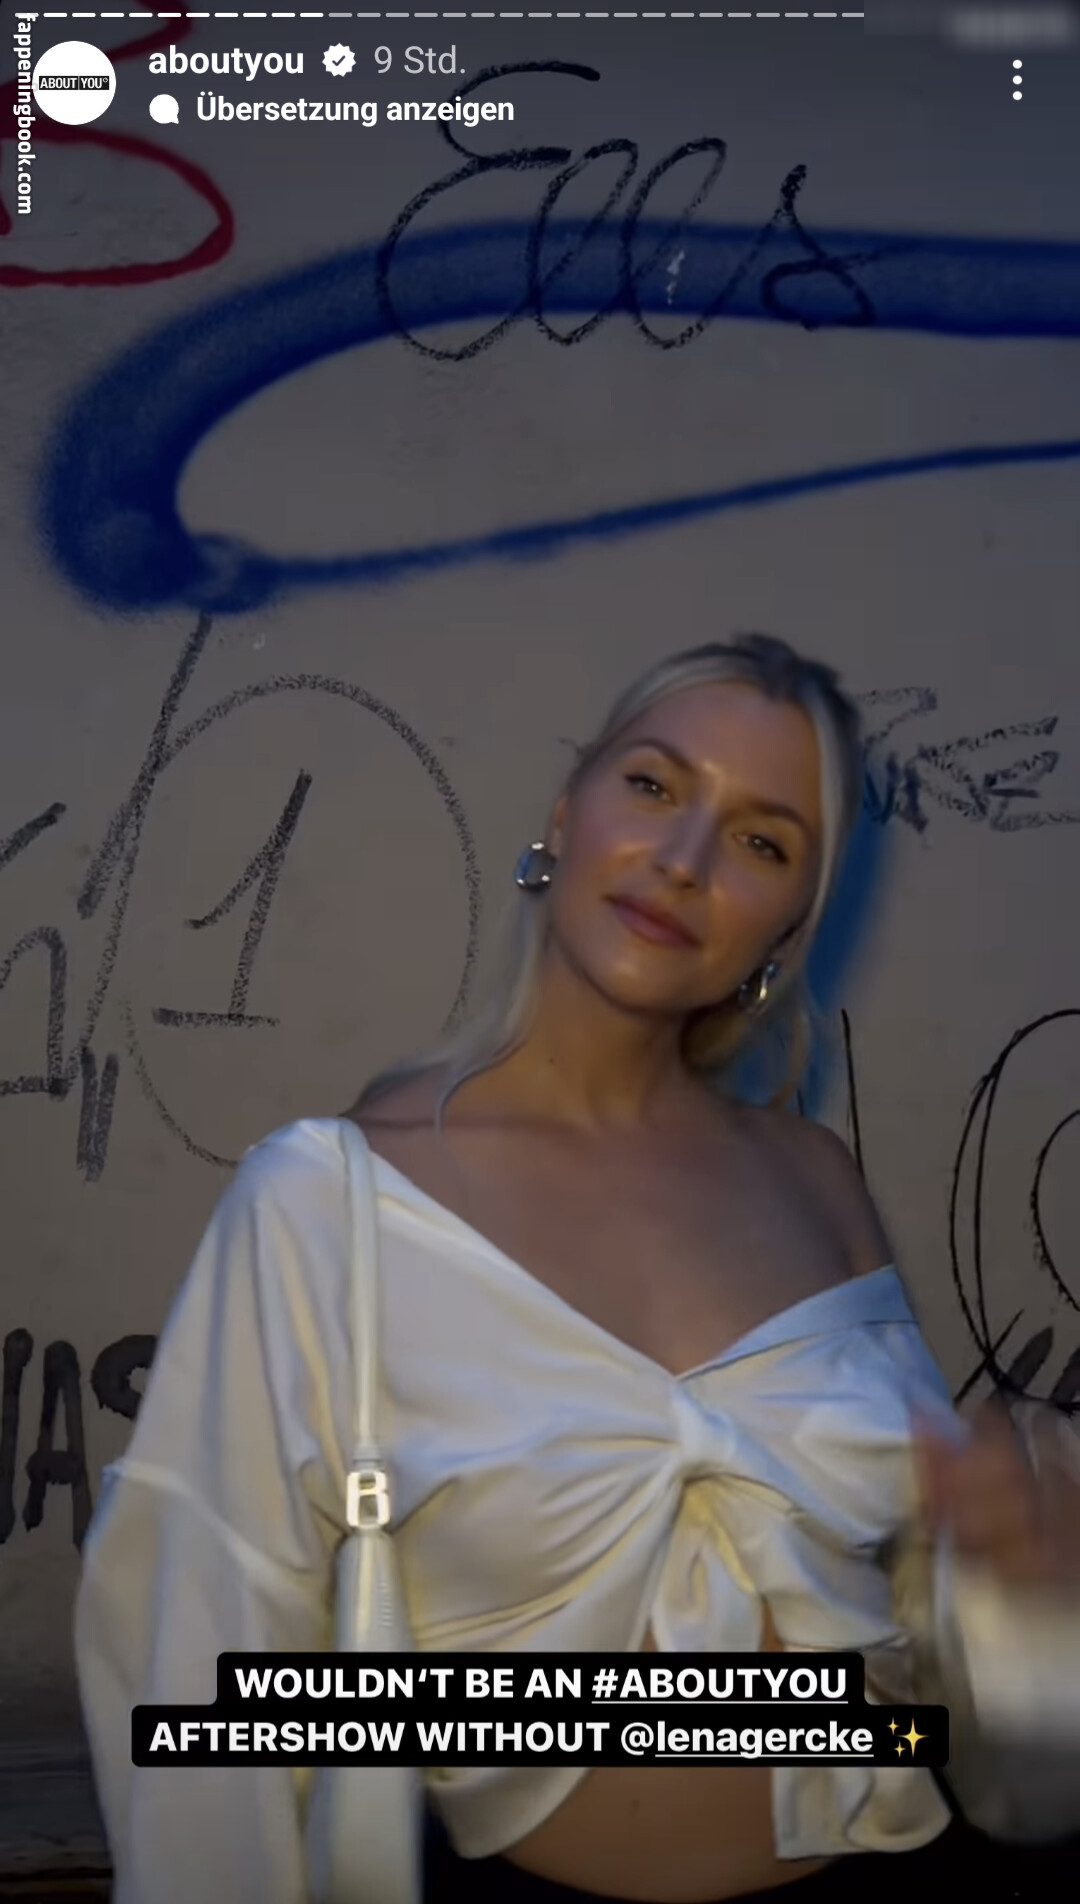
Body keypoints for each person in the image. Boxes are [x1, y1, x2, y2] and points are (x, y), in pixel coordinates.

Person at [74, 635, 1080, 1904]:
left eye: (762, 840)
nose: (685, 858)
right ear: (566, 812)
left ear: (786, 928)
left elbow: (955, 1693)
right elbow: (202, 1651)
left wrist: (1020, 1591)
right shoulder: (331, 1203)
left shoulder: (817, 1179)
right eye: (654, 785)